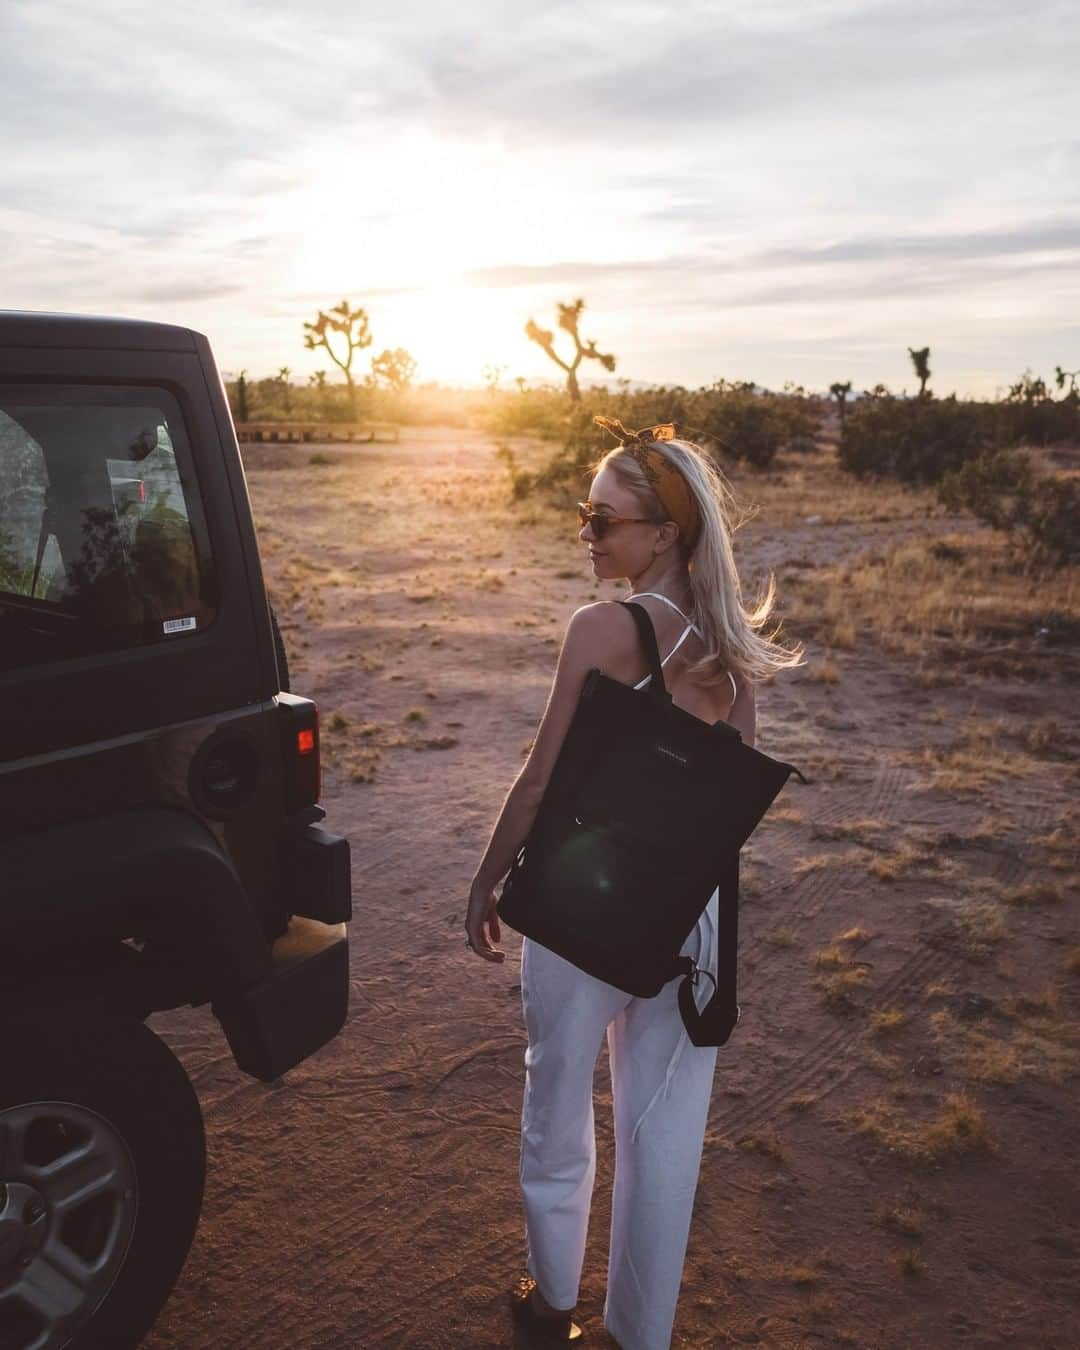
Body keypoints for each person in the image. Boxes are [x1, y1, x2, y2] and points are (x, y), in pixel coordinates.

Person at [463, 420, 805, 1348]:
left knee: (558, 1101)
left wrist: (489, 879)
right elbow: (718, 813)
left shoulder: (602, 629)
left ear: (663, 534)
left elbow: (539, 777)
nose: (587, 532)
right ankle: (639, 1331)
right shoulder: (734, 658)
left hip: (581, 910)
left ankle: (552, 1302)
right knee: (665, 1131)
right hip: (683, 925)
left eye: (601, 518)